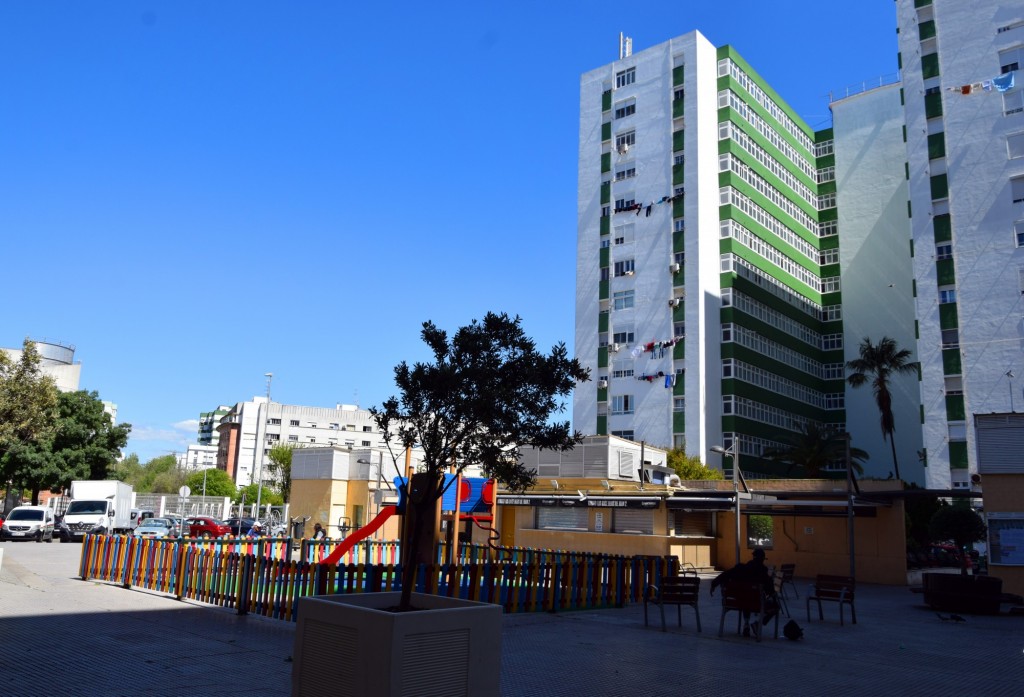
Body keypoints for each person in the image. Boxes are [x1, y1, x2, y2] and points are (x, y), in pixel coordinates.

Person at [710, 548, 779, 637]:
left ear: (753, 557)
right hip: (757, 604)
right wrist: (773, 597)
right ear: (762, 559)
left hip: (738, 602)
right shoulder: (763, 573)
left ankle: (746, 623)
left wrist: (714, 584)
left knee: (746, 599)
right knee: (775, 606)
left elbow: (726, 574)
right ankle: (758, 624)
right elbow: (771, 591)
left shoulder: (740, 569)